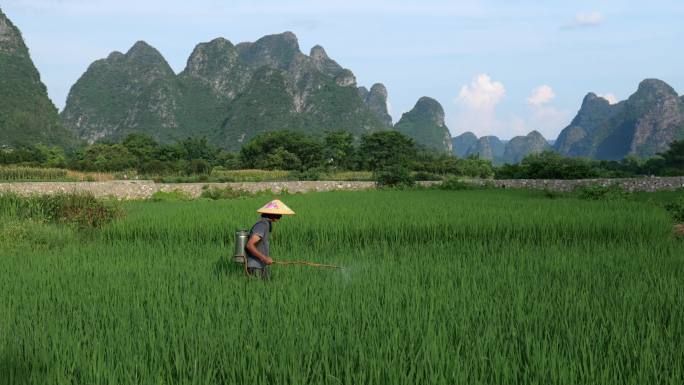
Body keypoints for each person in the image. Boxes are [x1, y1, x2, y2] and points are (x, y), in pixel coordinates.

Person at [244, 199, 295, 279]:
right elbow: (250, 245)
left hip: (261, 265)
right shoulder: (262, 225)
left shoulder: (267, 224)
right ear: (271, 214)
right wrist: (264, 258)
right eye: (278, 214)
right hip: (255, 266)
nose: (280, 216)